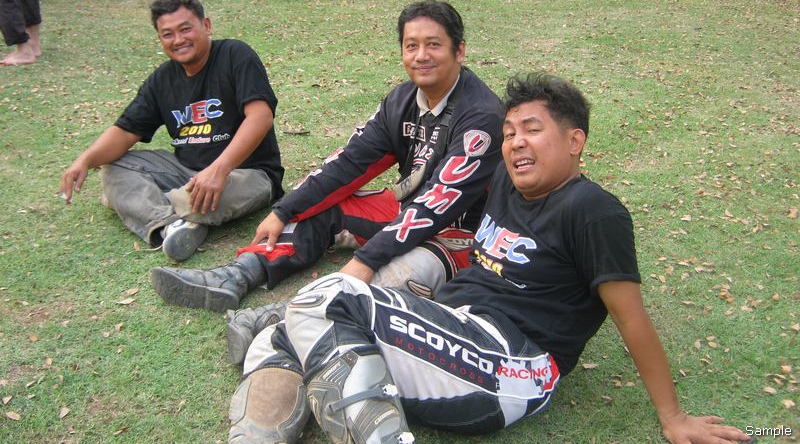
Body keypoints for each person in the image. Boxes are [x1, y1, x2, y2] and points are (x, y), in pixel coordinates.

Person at [224, 73, 751, 444]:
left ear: (575, 141)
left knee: (325, 300)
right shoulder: (503, 181)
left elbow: (631, 318)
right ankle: (255, 436)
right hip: (452, 335)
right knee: (283, 334)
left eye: (533, 130)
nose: (517, 143)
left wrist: (673, 417)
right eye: (510, 132)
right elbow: (430, 204)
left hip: (514, 366)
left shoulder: (592, 210)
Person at [151, 0, 504, 311]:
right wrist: (284, 211)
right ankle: (237, 275)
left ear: (459, 51)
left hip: (465, 235)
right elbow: (350, 163)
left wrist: (367, 259)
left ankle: (285, 318)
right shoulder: (401, 100)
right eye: (411, 45)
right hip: (409, 210)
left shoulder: (481, 117)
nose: (421, 55)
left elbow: (437, 205)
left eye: (433, 45)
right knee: (323, 205)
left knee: (401, 272)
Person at [60, 0, 284, 261]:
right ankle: (171, 227)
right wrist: (85, 160)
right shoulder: (162, 79)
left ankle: (144, 205)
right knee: (114, 168)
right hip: (185, 172)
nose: (178, 40)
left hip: (246, 173)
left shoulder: (235, 55)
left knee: (187, 198)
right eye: (167, 34)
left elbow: (260, 117)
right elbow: (125, 131)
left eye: (185, 29)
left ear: (206, 26)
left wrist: (219, 170)